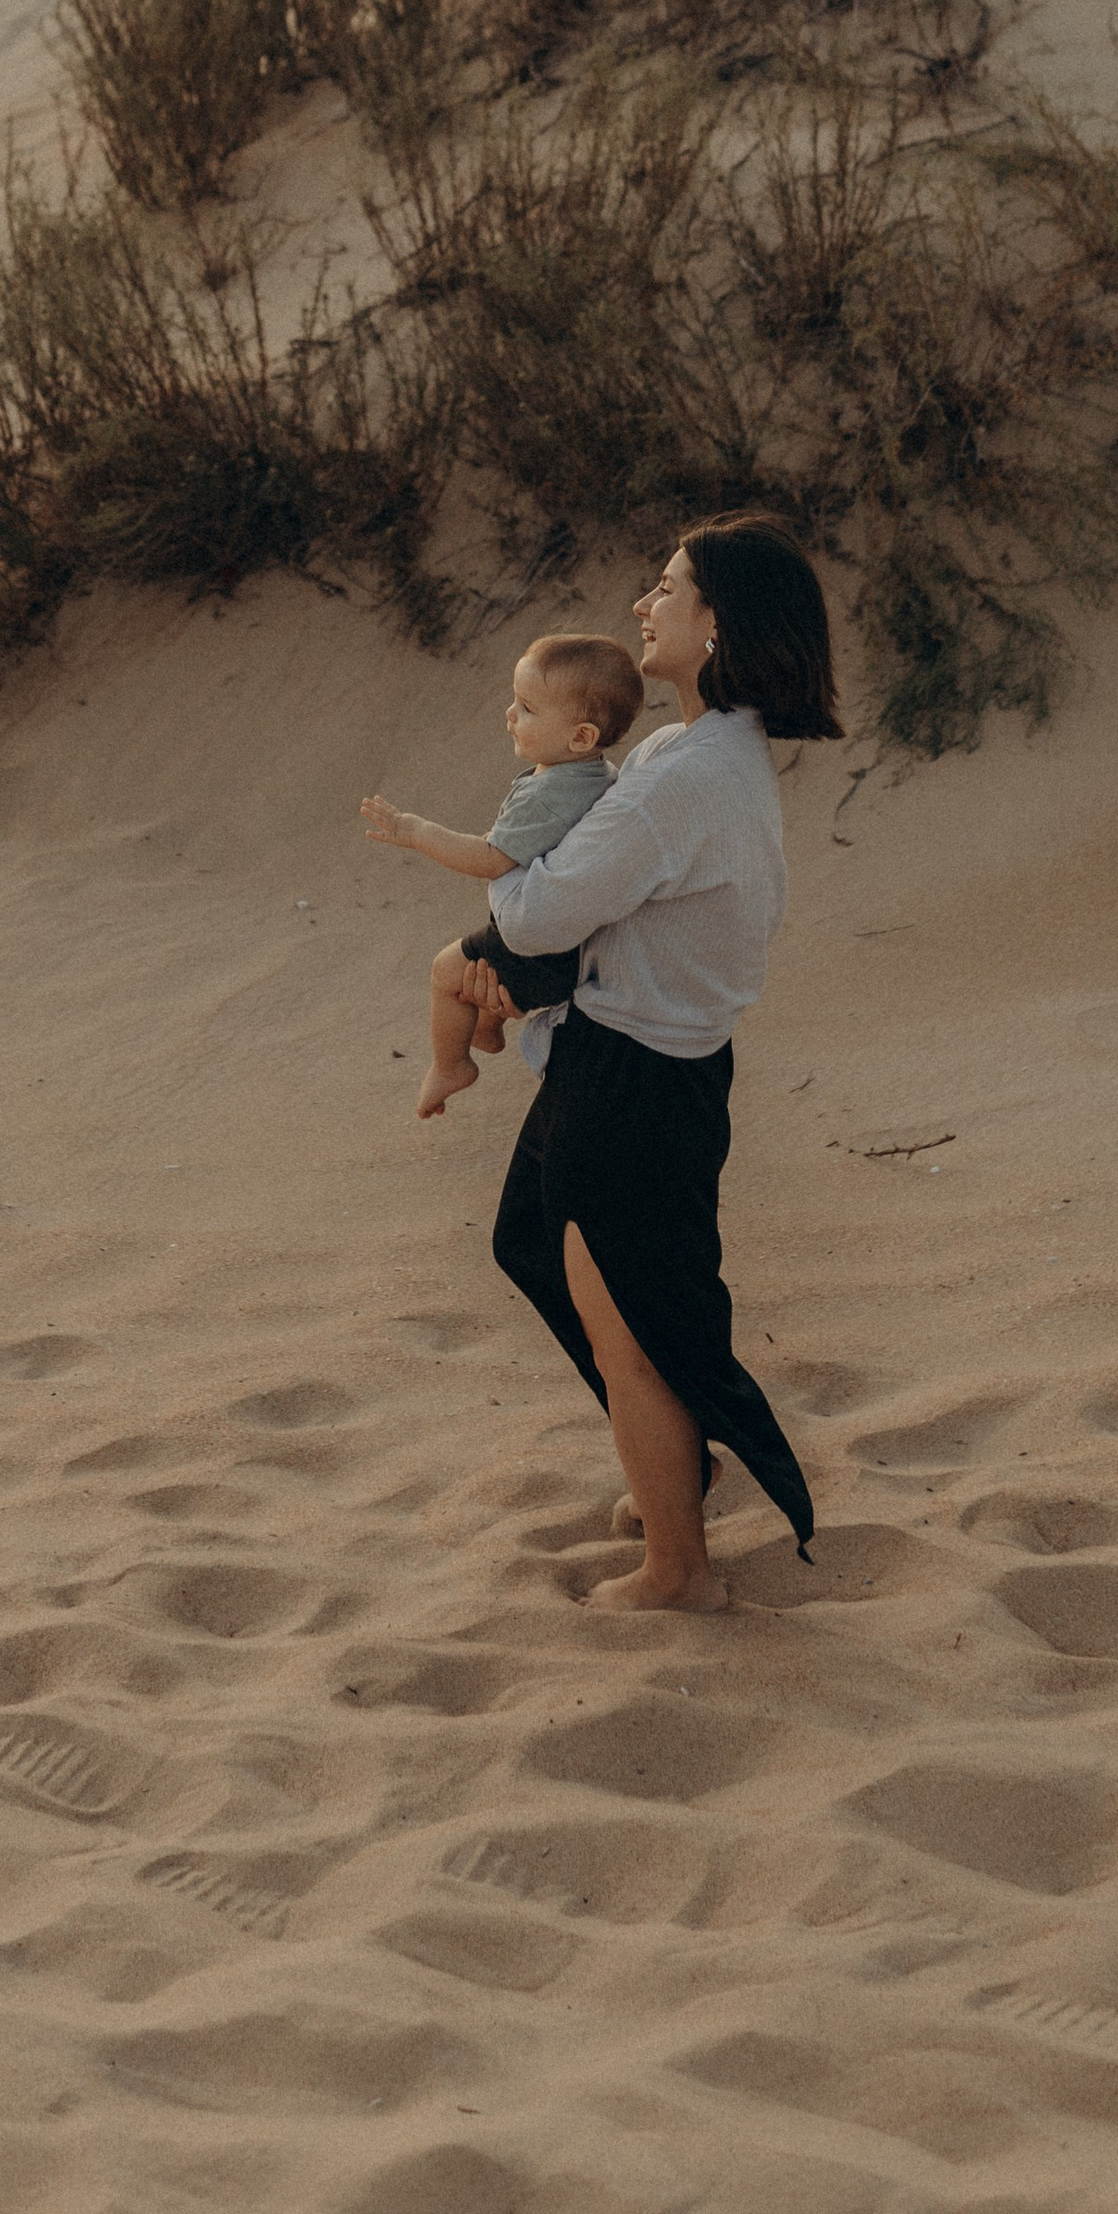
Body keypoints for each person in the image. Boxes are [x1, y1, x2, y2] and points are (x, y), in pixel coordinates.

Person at [477, 513, 842, 1612]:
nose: (644, 603)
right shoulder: (691, 751)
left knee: (631, 1324)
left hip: (634, 1079)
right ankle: (675, 1467)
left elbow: (540, 912)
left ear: (718, 622)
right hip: (639, 1061)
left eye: (669, 588)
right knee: (532, 1244)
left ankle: (678, 1572)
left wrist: (492, 899)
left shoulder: (683, 776)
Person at [359, 634, 648, 1117]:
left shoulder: (548, 795)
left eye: (528, 708)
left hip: (539, 952)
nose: (511, 714)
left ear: (580, 737)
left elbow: (492, 860)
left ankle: (451, 1065)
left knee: (445, 971)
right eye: (515, 700)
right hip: (563, 949)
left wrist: (417, 832)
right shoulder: (595, 774)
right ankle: (487, 1024)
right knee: (480, 969)